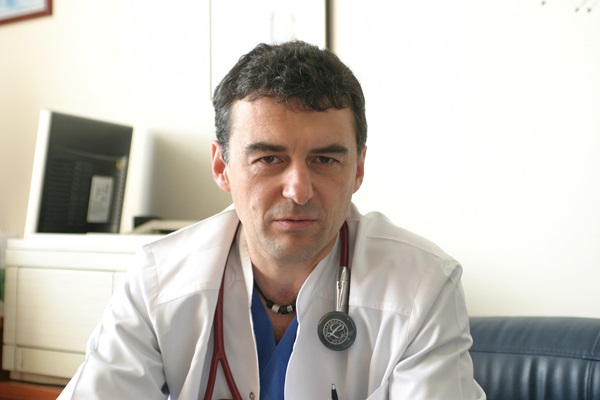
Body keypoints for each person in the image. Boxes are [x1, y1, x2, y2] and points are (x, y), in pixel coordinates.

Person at [58, 41, 485, 399]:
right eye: (268, 158)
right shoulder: (158, 281)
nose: (298, 190)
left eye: (325, 159)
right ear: (222, 167)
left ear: (358, 169)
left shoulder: (423, 286)